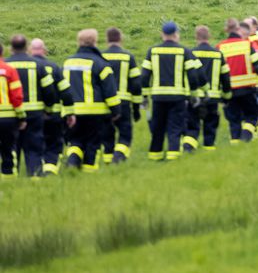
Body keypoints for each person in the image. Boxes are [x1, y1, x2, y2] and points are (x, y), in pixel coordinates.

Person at [141, 22, 205, 161]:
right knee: (175, 127)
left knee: (158, 127)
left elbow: (145, 76)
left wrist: (145, 96)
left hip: (158, 97)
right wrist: (194, 94)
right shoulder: (184, 51)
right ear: (176, 34)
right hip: (178, 97)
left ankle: (155, 156)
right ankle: (173, 155)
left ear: (162, 35)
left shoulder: (152, 51)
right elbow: (193, 76)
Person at [63, 29, 120, 172]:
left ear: (79, 42)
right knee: (93, 143)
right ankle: (89, 172)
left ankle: (72, 163)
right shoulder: (100, 63)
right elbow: (110, 91)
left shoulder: (67, 62)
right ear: (95, 41)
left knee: (75, 141)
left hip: (73, 111)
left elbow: (62, 88)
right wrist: (115, 111)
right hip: (95, 113)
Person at [7, 34, 59, 177]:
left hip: (11, 114)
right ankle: (35, 176)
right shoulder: (40, 65)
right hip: (35, 114)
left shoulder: (6, 65)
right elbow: (50, 91)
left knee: (12, 147)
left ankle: (10, 176)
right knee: (34, 148)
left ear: (11, 48)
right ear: (27, 48)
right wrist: (48, 110)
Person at [218, 19, 258, 144]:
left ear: (226, 30)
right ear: (238, 29)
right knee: (252, 116)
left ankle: (235, 144)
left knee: (234, 120)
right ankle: (246, 136)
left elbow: (218, 71)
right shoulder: (247, 45)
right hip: (247, 88)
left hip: (230, 90)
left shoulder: (220, 47)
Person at [30, 39, 74, 175]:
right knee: (54, 145)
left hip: (31, 114)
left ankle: (36, 170)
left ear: (31, 50)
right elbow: (66, 92)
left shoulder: (26, 67)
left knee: (34, 144)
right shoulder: (53, 67)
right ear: (44, 50)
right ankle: (50, 171)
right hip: (54, 115)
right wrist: (70, 112)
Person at [185, 26, 232, 150]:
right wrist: (226, 95)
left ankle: (188, 148)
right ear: (209, 37)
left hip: (195, 97)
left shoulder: (190, 53)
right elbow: (226, 77)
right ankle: (209, 150)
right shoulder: (218, 54)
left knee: (192, 126)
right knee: (210, 127)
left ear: (196, 37)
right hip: (212, 98)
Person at [101, 28, 142, 163]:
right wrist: (136, 108)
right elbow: (136, 84)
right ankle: (118, 157)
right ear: (121, 39)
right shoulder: (128, 57)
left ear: (107, 40)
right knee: (125, 135)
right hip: (123, 103)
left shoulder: (100, 57)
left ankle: (108, 161)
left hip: (104, 104)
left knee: (107, 136)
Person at [0, 43, 26, 180]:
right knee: (9, 148)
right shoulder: (9, 70)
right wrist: (21, 117)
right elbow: (16, 96)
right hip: (7, 118)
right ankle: (8, 176)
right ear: (2, 52)